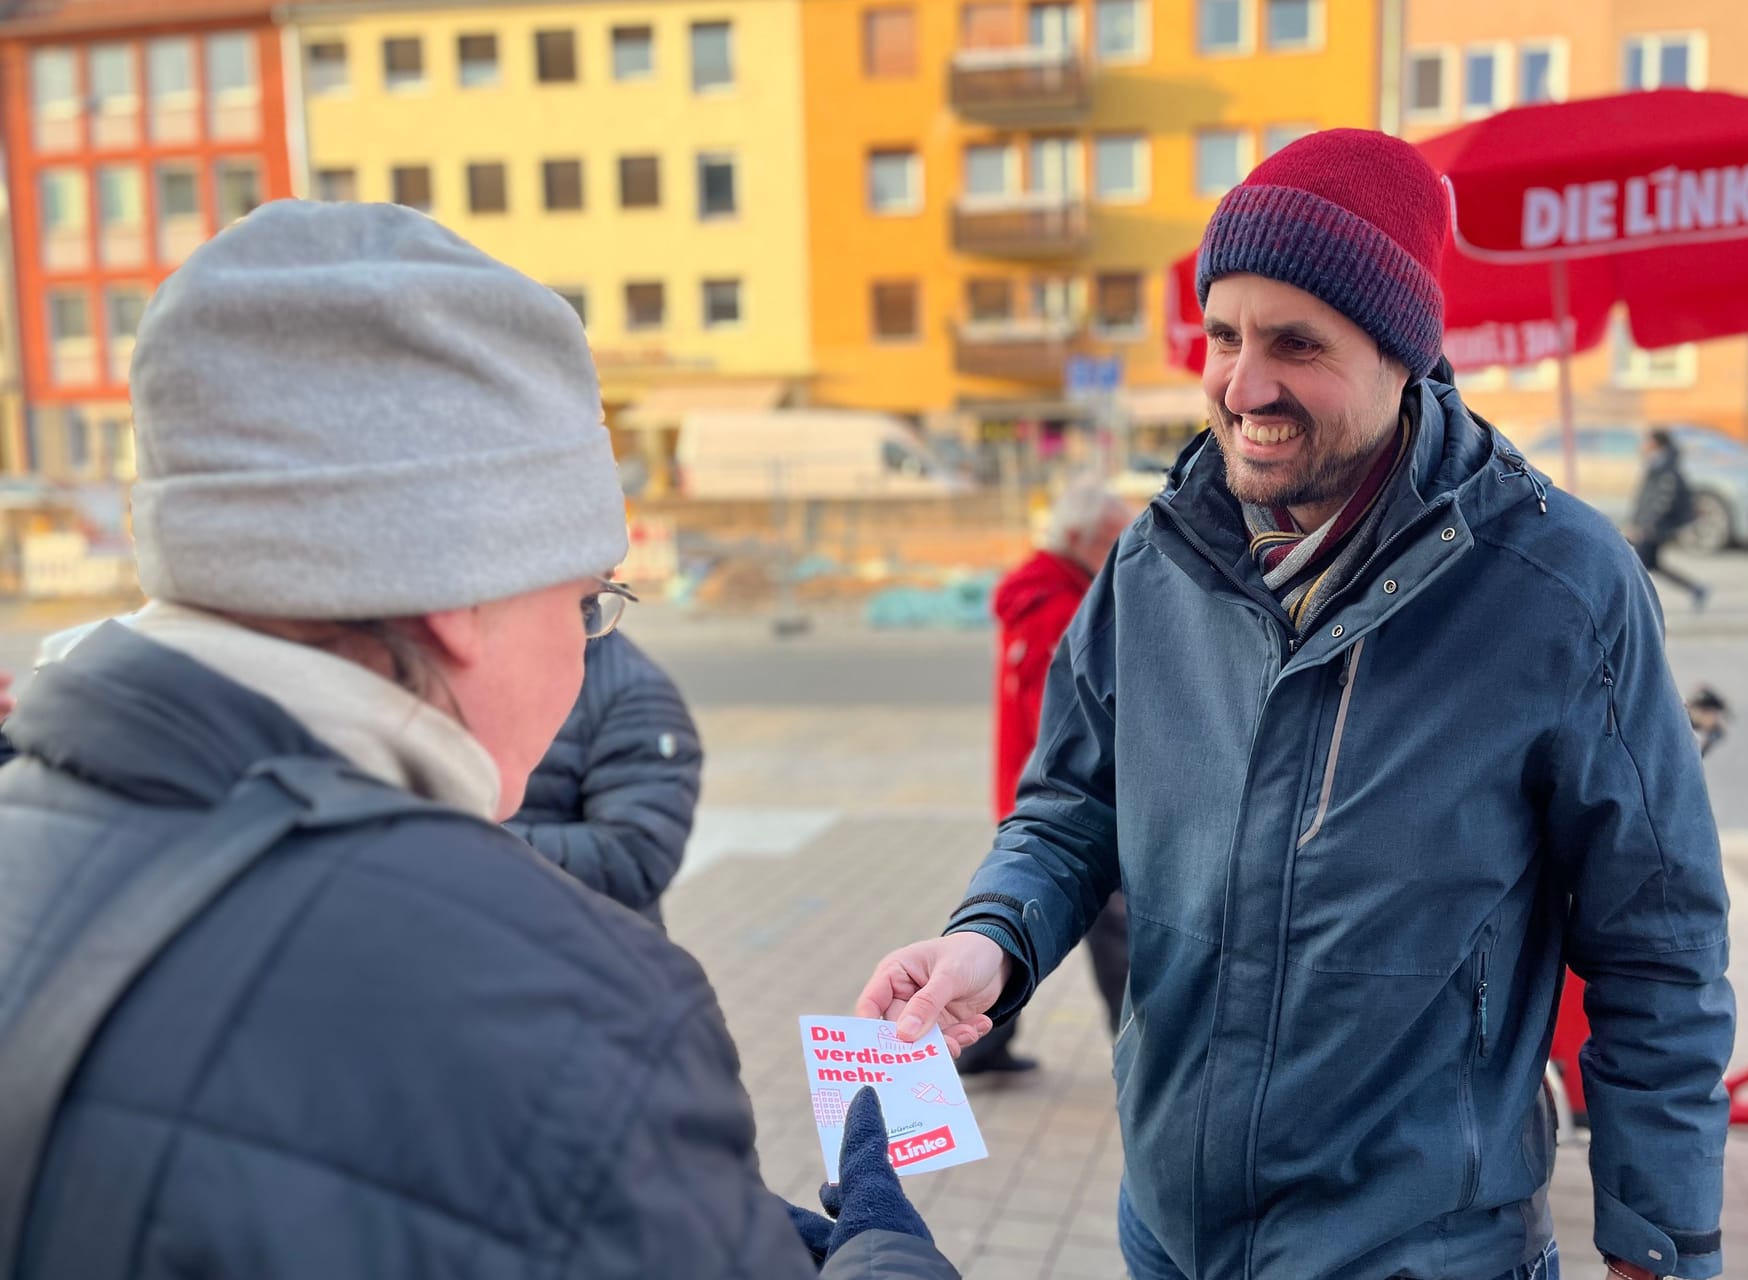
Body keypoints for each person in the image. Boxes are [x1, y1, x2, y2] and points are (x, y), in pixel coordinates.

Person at [0, 201, 956, 1279]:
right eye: (587, 601)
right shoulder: (566, 1005)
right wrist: (883, 1248)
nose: (590, 643)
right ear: (461, 591)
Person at [857, 130, 1733, 1280]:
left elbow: (1659, 944)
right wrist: (994, 936)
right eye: (1222, 334)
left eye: (1295, 343)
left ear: (1401, 354)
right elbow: (1071, 804)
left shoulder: (1558, 588)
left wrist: (1660, 1241)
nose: (1241, 382)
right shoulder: (1156, 560)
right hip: (1169, 1236)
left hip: (1423, 1255)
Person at [958, 480, 1134, 1076]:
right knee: (1109, 930)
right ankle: (1136, 1050)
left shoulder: (1042, 589)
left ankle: (982, 1043)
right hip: (1064, 793)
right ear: (1082, 539)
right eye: (1114, 538)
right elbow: (1066, 722)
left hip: (1031, 784)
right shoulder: (1061, 606)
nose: (1124, 548)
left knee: (1022, 916)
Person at [506, 629, 701, 926]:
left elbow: (633, 858)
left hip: (575, 946)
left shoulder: (634, 690)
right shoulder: (491, 665)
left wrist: (463, 842)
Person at [1629, 429, 1709, 610]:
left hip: (1655, 528)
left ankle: (1638, 608)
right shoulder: (1657, 464)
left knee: (1635, 567)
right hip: (1650, 526)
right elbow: (1646, 498)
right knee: (1650, 565)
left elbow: (1662, 501)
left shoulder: (1666, 468)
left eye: (1647, 442)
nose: (1643, 446)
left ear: (1657, 444)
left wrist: (1646, 525)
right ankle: (1696, 589)